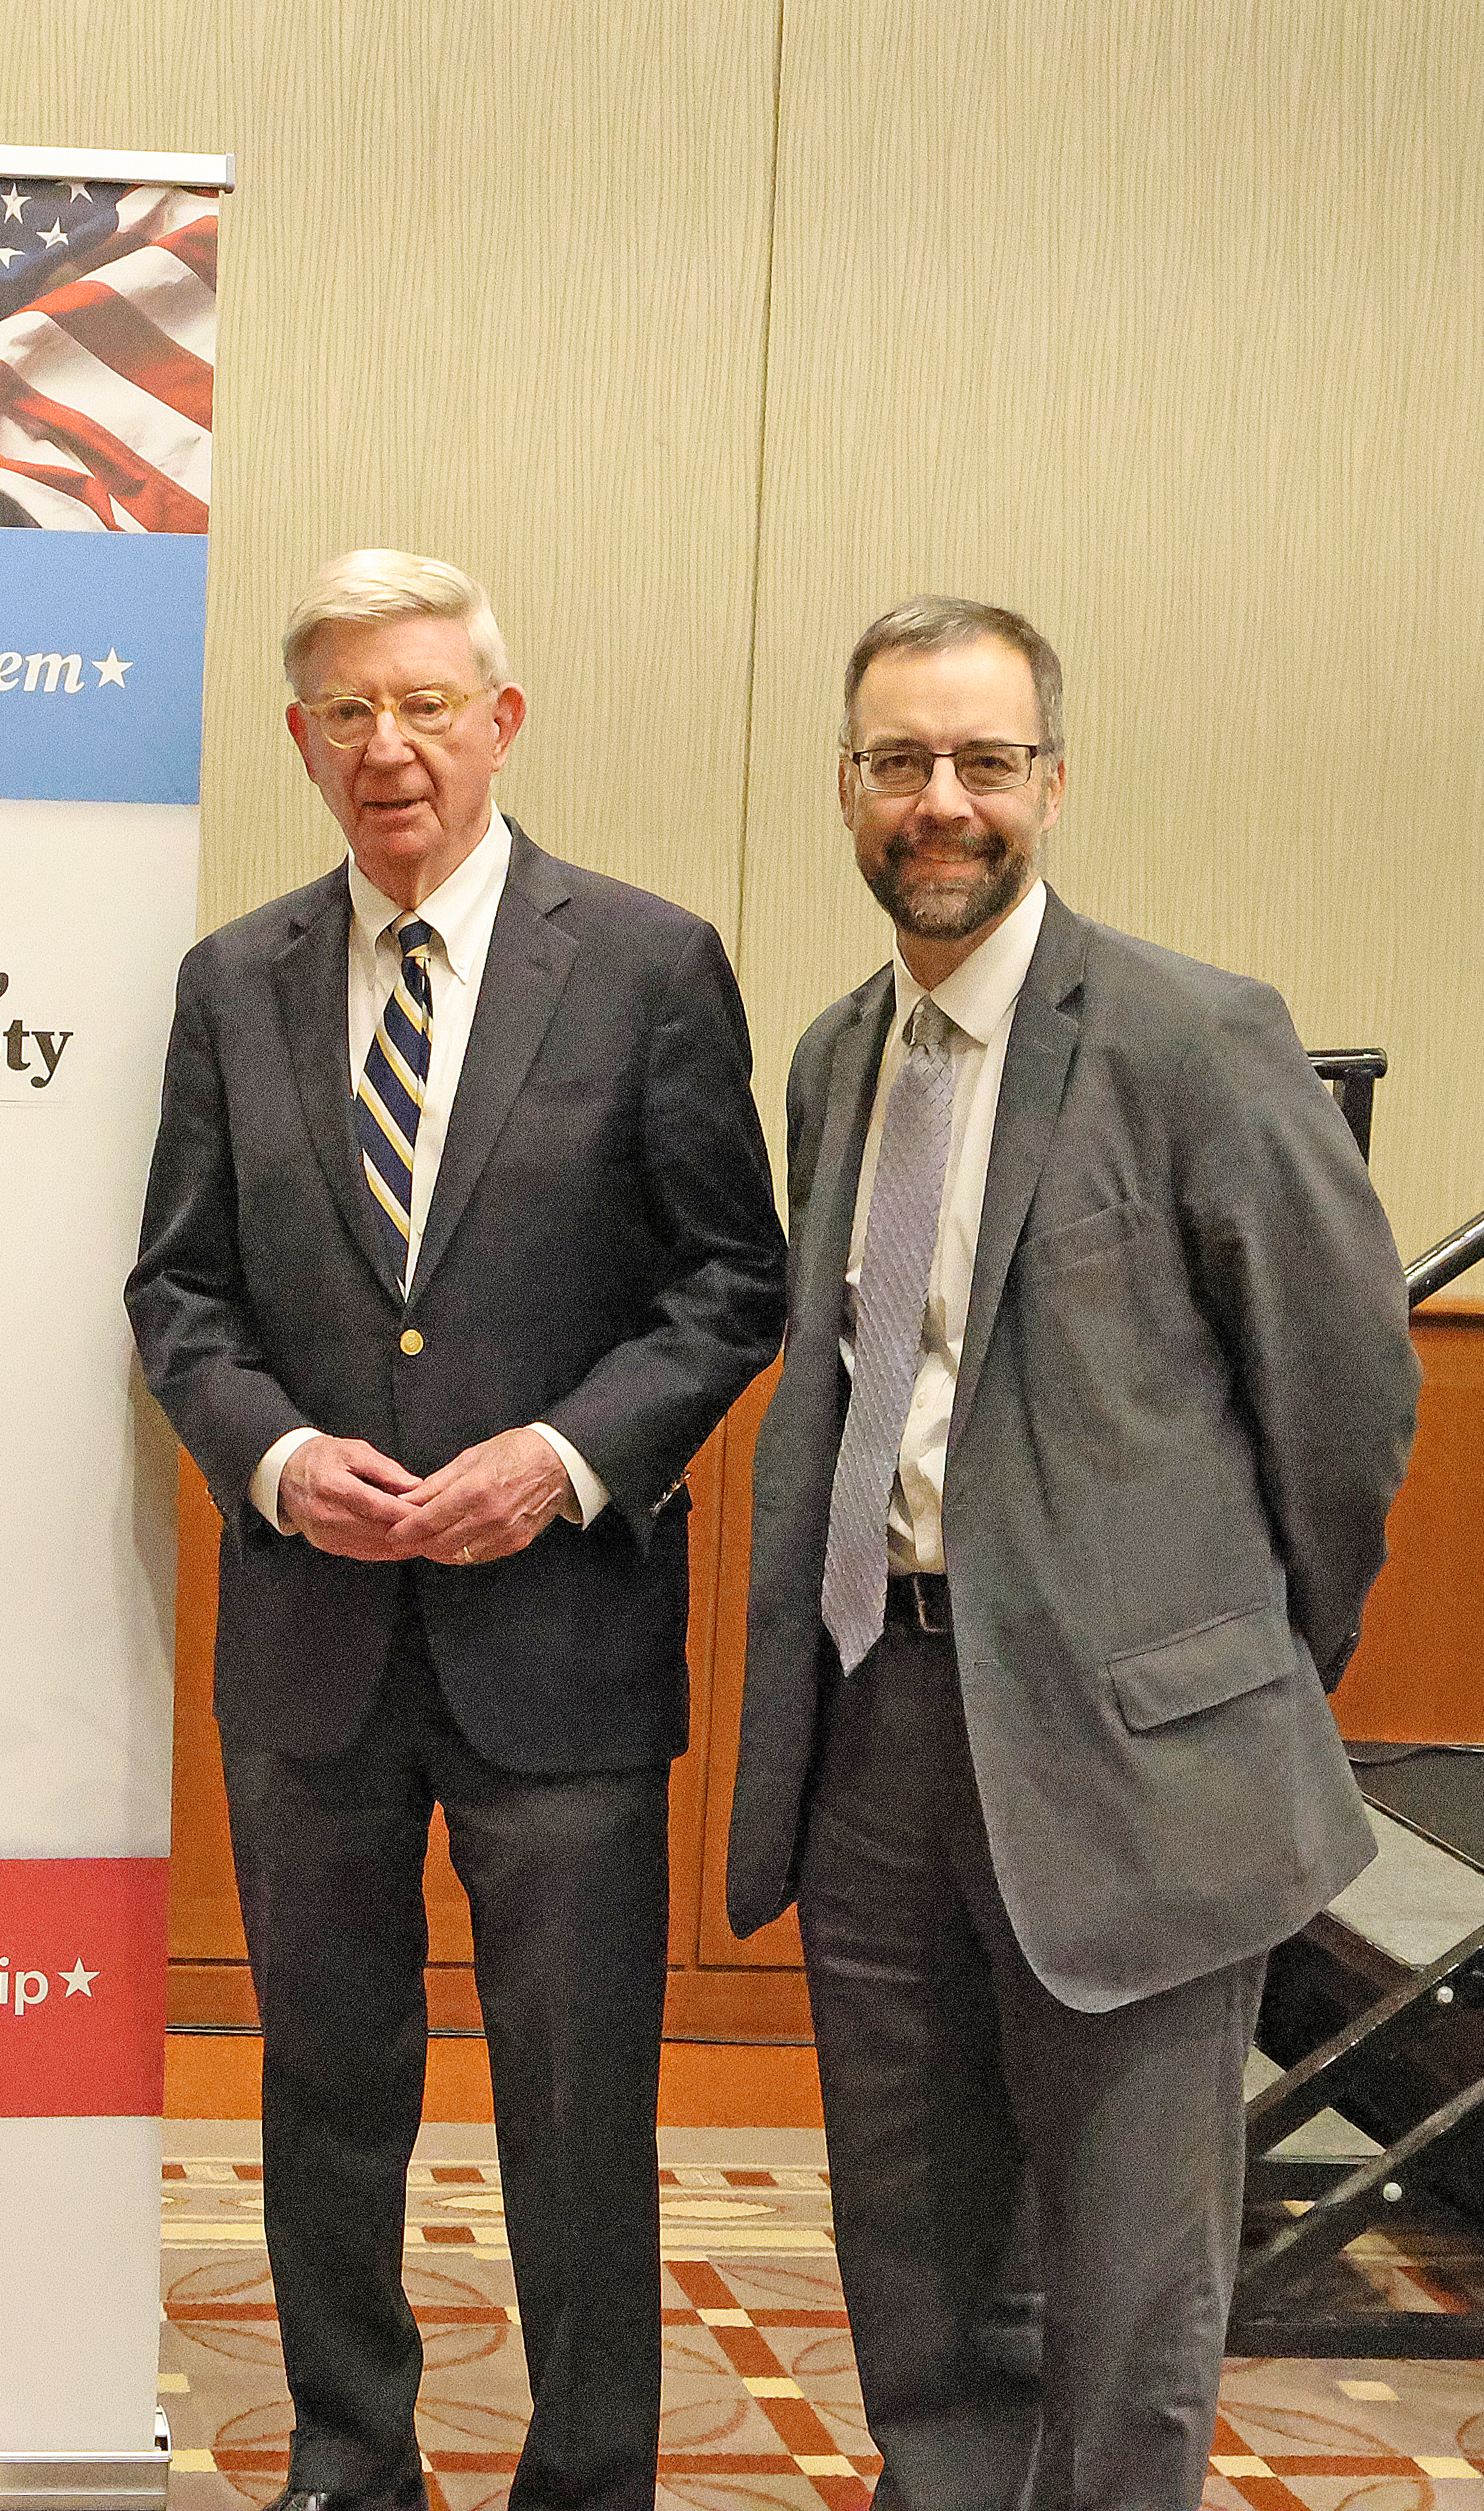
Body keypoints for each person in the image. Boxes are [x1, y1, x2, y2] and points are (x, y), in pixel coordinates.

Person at [725, 598, 1417, 2501]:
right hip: (878, 1722)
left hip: (1133, 1761)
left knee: (1129, 2300)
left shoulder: (1197, 1037)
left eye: (982, 761)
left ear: (1049, 781)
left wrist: (1238, 1672)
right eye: (898, 762)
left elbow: (1346, 1402)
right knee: (925, 2269)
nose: (940, 801)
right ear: (849, 787)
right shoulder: (834, 1056)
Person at [128, 551, 785, 2509]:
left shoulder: (650, 962)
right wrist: (267, 1454)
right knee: (329, 2095)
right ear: (302, 741)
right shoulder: (232, 981)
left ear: (503, 719)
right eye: (348, 709)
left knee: (579, 2113)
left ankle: (588, 2472)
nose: (388, 744)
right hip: (312, 1650)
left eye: (425, 703)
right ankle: (351, 2455)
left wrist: (570, 1458)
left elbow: (728, 1280)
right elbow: (181, 1292)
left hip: (561, 1646)